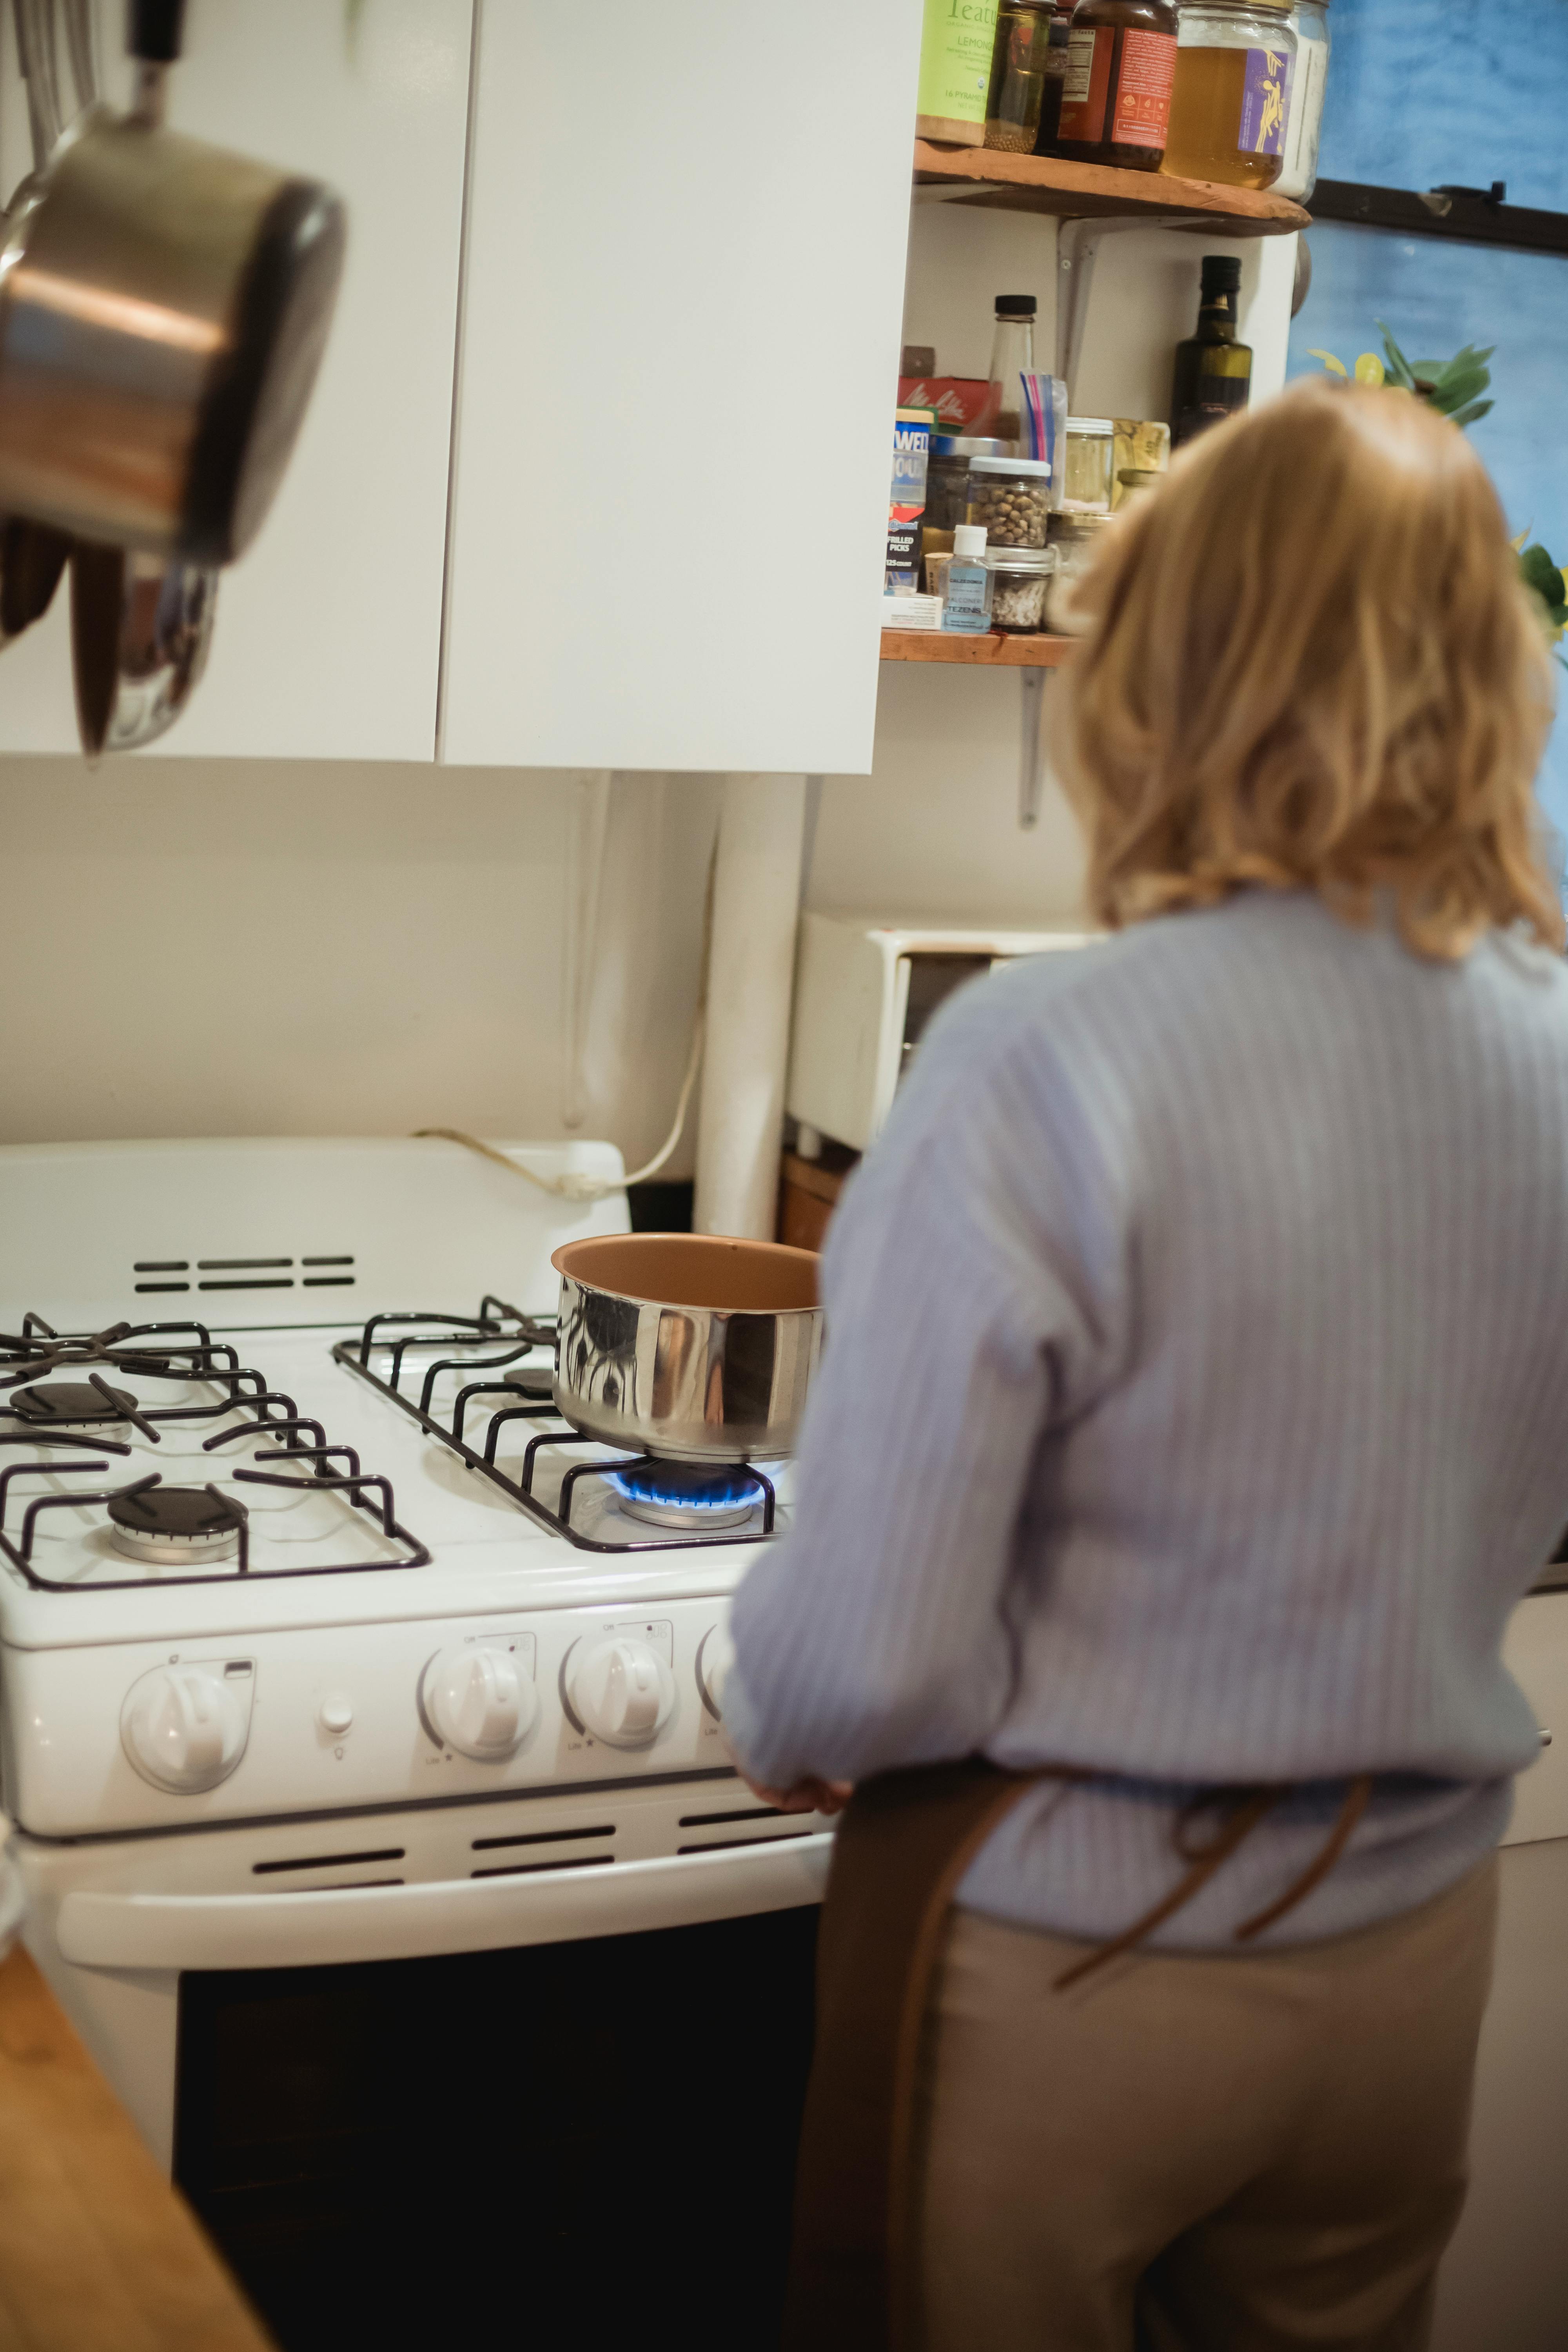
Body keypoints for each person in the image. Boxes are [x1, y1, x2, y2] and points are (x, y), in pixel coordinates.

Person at [722, 376, 1568, 2352]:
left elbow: (869, 1665)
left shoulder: (1045, 1055)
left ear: (1162, 669)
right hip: (1415, 1948)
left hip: (1075, 1965)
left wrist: (771, 1695)